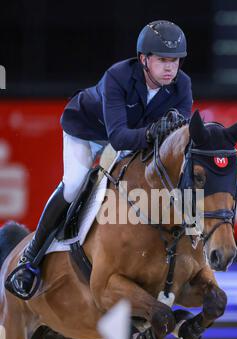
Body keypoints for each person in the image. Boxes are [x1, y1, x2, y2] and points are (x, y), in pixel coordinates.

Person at [6, 20, 193, 299]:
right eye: (163, 60)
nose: (170, 68)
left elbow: (177, 140)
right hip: (87, 132)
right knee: (74, 185)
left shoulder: (182, 85)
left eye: (175, 61)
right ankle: (29, 261)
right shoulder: (117, 76)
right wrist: (155, 132)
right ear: (144, 59)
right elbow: (117, 137)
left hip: (136, 138)